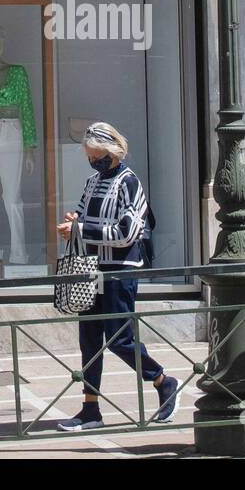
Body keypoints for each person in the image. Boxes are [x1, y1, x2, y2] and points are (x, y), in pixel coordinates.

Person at [55, 122, 180, 431]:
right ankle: (90, 408)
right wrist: (76, 222)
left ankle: (163, 381)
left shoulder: (129, 183)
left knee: (119, 338)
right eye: (88, 155)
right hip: (92, 270)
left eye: (94, 154)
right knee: (89, 339)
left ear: (109, 152)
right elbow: (85, 215)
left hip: (120, 271)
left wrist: (81, 229)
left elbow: (128, 233)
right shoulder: (92, 182)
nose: (90, 160)